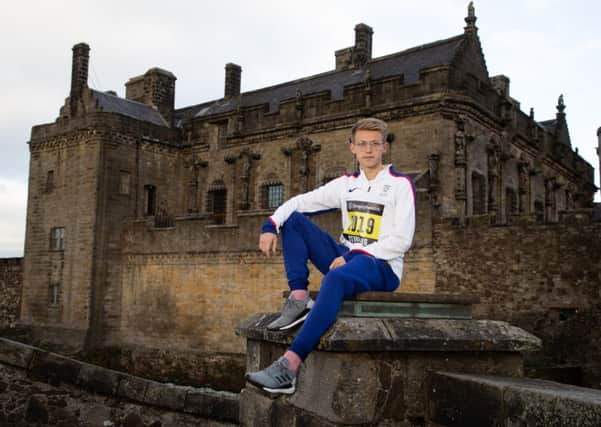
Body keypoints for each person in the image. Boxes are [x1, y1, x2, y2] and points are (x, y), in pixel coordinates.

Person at [245, 117, 415, 394]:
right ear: (352, 147)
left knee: (335, 278)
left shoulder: (400, 185)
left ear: (385, 147)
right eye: (362, 144)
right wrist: (270, 225)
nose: (369, 150)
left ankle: (289, 366)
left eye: (375, 144)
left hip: (382, 267)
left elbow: (401, 240)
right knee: (295, 220)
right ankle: (299, 298)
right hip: (347, 257)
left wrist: (354, 255)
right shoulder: (346, 184)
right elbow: (300, 202)